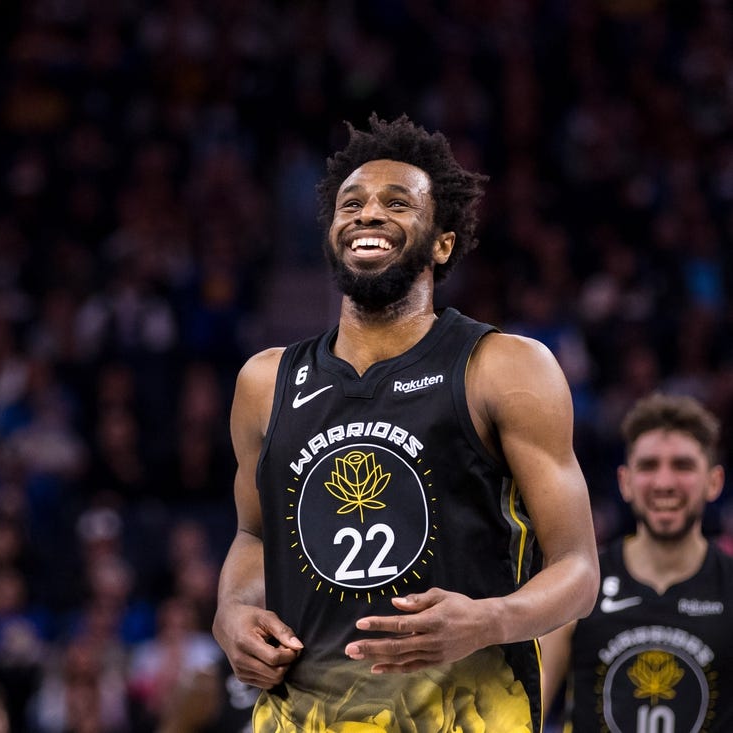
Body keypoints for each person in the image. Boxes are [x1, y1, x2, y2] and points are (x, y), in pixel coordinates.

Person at [211, 114, 600, 731]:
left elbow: (578, 569)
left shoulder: (503, 367)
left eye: (397, 202)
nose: (368, 214)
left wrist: (487, 620)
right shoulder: (264, 382)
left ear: (442, 243)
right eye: (352, 203)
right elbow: (255, 537)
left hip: (464, 713)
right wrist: (231, 612)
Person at [540, 392, 733, 732]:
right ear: (625, 482)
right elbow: (529, 707)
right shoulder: (578, 582)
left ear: (714, 482)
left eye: (683, 466)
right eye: (648, 466)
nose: (663, 483)